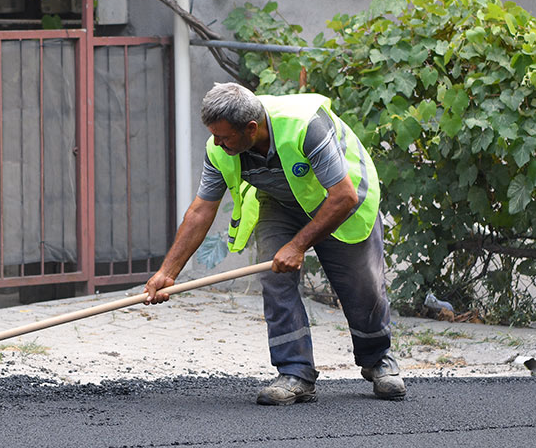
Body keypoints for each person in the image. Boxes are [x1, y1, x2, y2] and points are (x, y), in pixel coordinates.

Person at [144, 82, 405, 405]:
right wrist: (168, 273)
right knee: (274, 276)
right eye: (214, 134)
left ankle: (378, 360)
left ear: (251, 129)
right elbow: (200, 211)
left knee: (360, 284)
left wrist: (298, 246)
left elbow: (344, 197)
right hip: (281, 204)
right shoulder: (219, 150)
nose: (217, 143)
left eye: (224, 137)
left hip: (340, 199)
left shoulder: (304, 126)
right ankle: (295, 373)